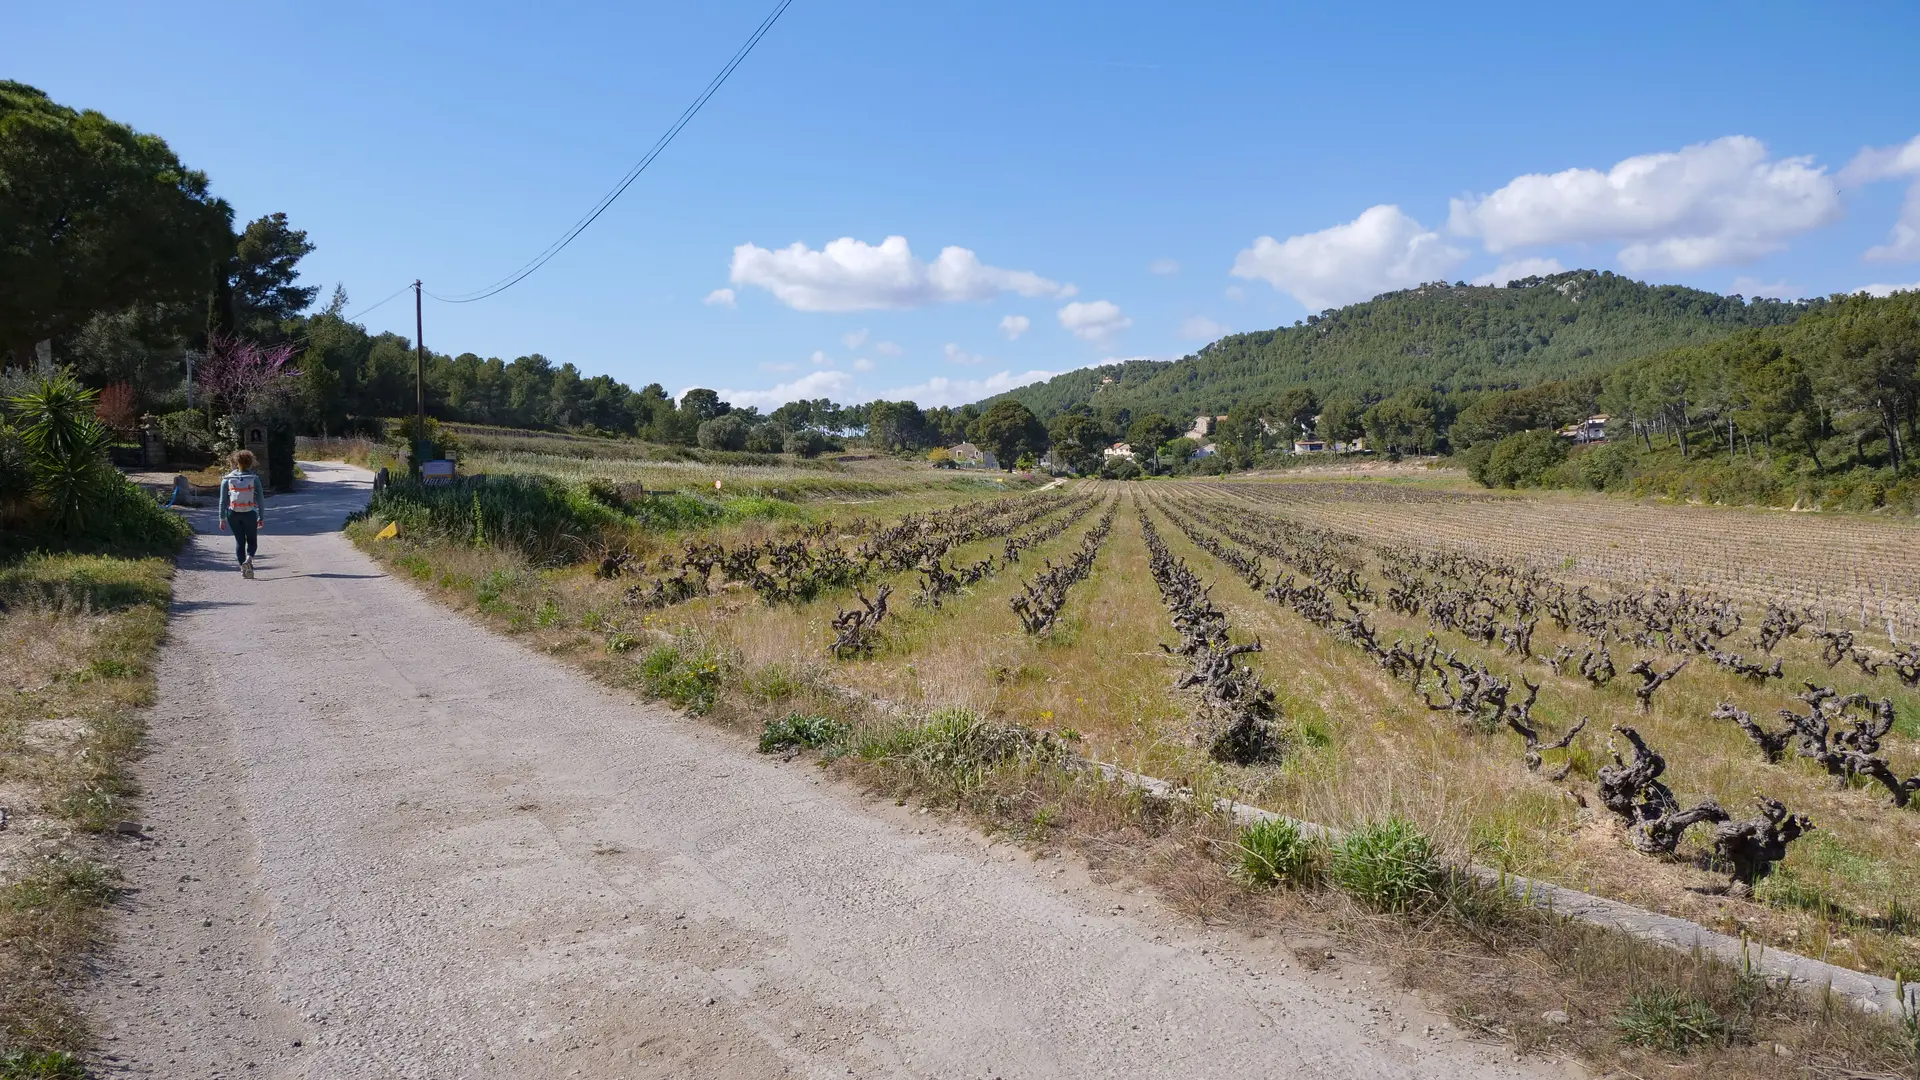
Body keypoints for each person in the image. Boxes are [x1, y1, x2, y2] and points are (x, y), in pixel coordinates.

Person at [218, 450, 267, 578]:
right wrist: (261, 517)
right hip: (250, 513)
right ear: (251, 463)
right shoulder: (254, 479)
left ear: (236, 462)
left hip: (232, 513)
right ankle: (249, 559)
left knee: (239, 541)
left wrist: (222, 518)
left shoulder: (227, 479)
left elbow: (223, 501)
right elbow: (260, 499)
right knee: (252, 541)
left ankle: (243, 569)